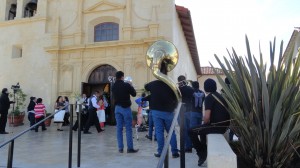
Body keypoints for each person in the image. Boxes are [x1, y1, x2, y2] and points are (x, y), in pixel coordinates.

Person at [188, 78, 230, 166]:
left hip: (216, 126)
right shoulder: (220, 96)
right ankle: (203, 150)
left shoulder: (209, 97)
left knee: (191, 131)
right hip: (224, 126)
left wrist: (204, 122)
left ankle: (201, 153)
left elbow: (206, 118)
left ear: (206, 87)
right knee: (202, 129)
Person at [144, 63, 180, 158]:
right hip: (169, 111)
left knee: (159, 132)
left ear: (158, 74)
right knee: (171, 132)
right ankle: (175, 152)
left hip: (156, 112)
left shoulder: (153, 84)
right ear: (167, 74)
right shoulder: (172, 84)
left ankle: (161, 152)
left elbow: (145, 86)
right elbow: (177, 98)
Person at [112, 71, 138, 153]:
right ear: (122, 77)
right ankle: (130, 148)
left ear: (116, 77)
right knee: (128, 128)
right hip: (125, 108)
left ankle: (120, 148)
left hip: (117, 108)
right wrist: (130, 85)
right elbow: (134, 94)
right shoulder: (126, 85)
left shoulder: (113, 86)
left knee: (119, 129)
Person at [177, 75, 197, 153]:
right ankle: (191, 144)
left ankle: (188, 147)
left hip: (182, 110)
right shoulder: (191, 89)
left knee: (184, 130)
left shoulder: (178, 90)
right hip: (190, 110)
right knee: (190, 129)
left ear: (179, 81)